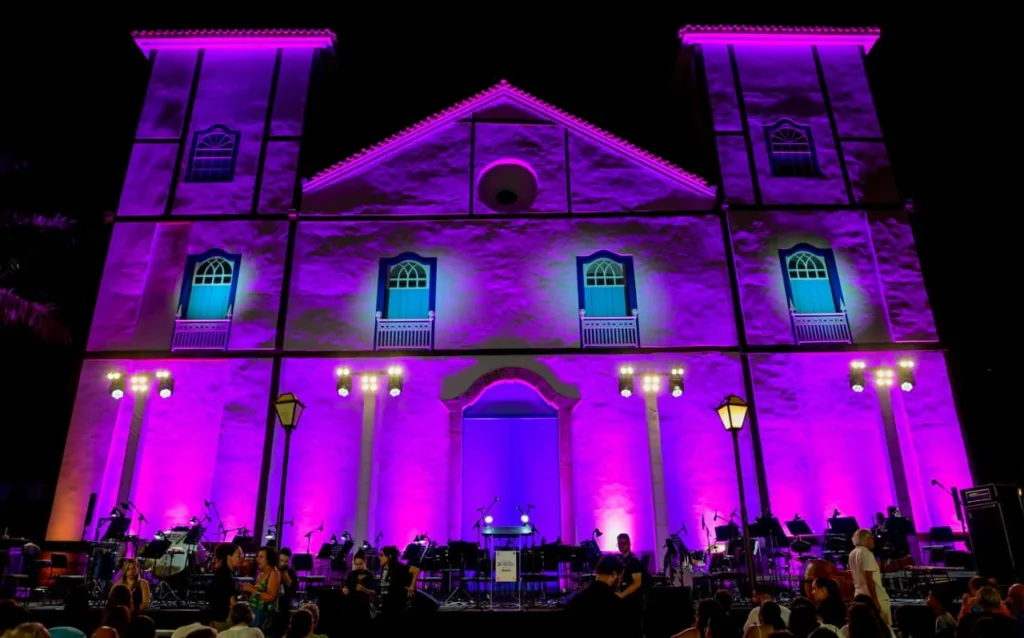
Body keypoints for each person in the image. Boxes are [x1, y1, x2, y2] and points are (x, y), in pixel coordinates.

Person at [565, 555, 627, 635]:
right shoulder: (616, 603)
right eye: (620, 578)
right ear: (614, 574)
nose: (619, 582)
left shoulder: (576, 599)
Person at [848, 529, 891, 626]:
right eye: (871, 537)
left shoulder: (852, 553)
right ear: (865, 539)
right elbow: (869, 579)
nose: (873, 540)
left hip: (859, 594)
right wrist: (875, 600)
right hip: (873, 596)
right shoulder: (866, 553)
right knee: (883, 627)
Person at [616, 533, 649, 638]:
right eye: (619, 544)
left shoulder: (633, 561)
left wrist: (621, 595)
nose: (621, 546)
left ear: (629, 544)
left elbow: (637, 583)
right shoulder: (622, 560)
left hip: (634, 602)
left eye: (623, 543)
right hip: (627, 601)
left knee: (635, 631)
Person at [241, 546, 281, 631]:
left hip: (264, 614)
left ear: (269, 559)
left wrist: (251, 589)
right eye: (257, 556)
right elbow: (257, 595)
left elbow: (270, 596)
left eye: (261, 557)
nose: (257, 559)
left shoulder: (274, 573)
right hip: (253, 612)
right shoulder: (260, 574)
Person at [376, 546, 413, 626]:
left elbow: (416, 570)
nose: (379, 557)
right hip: (386, 604)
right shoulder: (384, 568)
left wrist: (411, 586)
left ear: (389, 556)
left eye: (382, 555)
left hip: (396, 605)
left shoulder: (398, 567)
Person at [208, 543, 243, 626]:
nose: (241, 558)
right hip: (223, 620)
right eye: (238, 555)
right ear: (228, 556)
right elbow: (231, 602)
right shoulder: (225, 575)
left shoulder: (225, 572)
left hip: (220, 618)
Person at [342, 550, 375, 626]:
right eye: (356, 564)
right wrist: (345, 590)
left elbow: (373, 592)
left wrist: (364, 589)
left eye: (360, 564)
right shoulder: (351, 574)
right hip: (351, 606)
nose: (358, 566)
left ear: (365, 561)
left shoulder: (370, 575)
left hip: (364, 607)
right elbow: (346, 587)